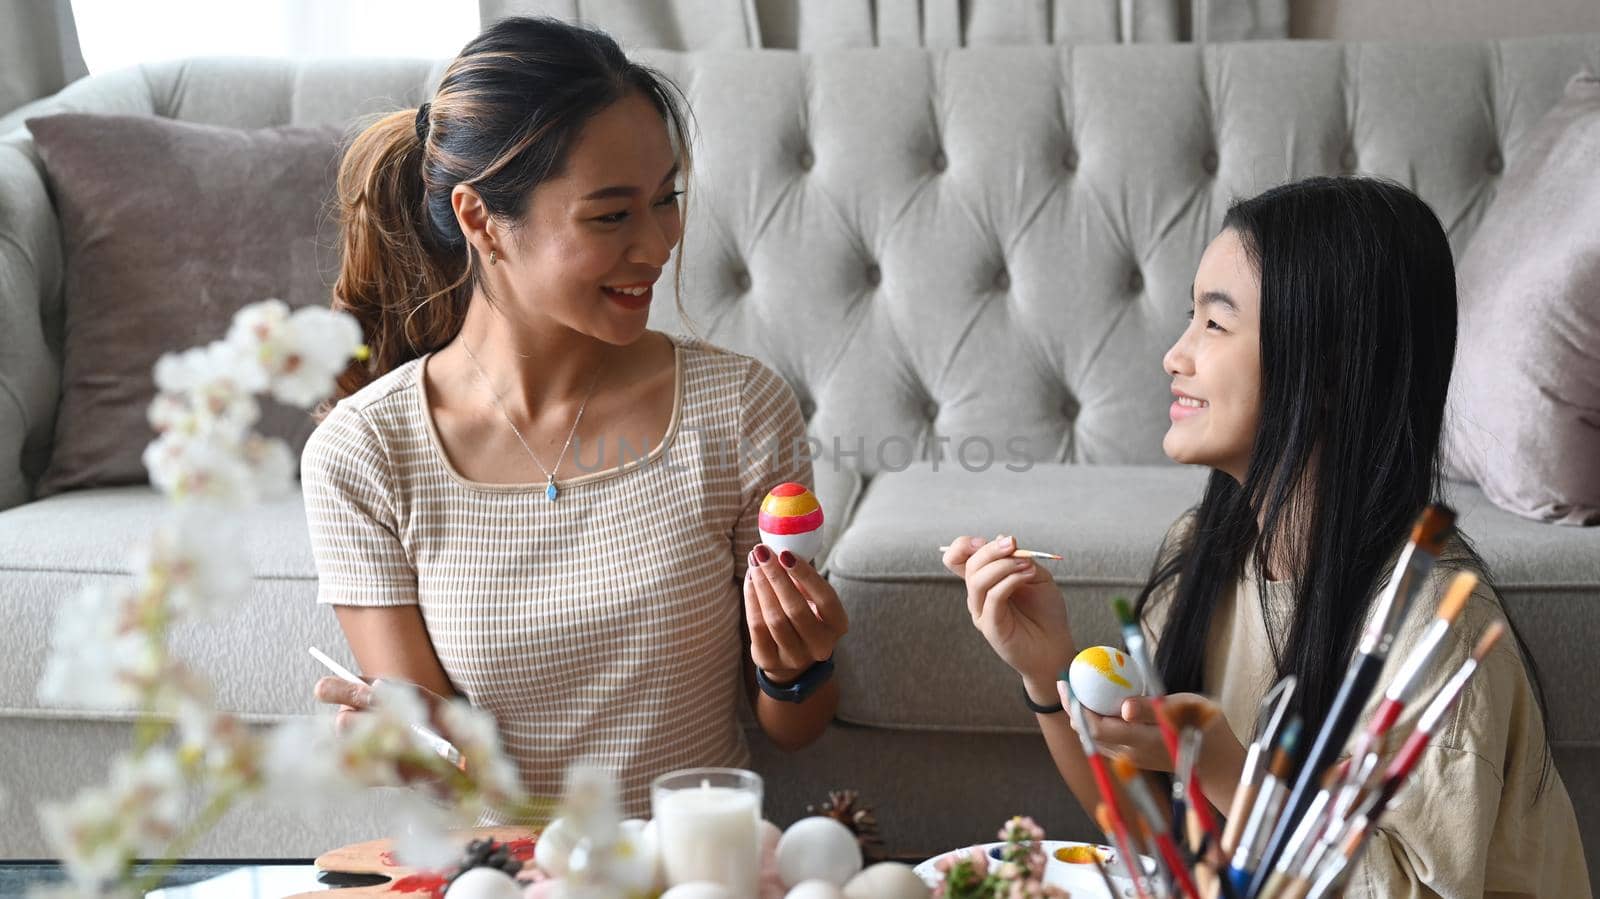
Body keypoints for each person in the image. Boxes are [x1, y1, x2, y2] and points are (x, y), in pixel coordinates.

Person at [944, 176, 1589, 897]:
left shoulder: (1437, 632)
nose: (1175, 355)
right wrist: (1048, 670)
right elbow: (1151, 828)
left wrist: (1223, 763)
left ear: (1331, 370)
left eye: (1215, 324)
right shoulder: (1208, 550)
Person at [301, 16, 846, 815]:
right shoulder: (362, 452)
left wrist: (797, 664)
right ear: (482, 220)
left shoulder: (740, 408)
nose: (658, 244)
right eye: (611, 215)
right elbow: (446, 762)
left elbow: (794, 728)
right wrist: (406, 742)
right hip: (508, 874)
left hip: (693, 864)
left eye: (667, 200)